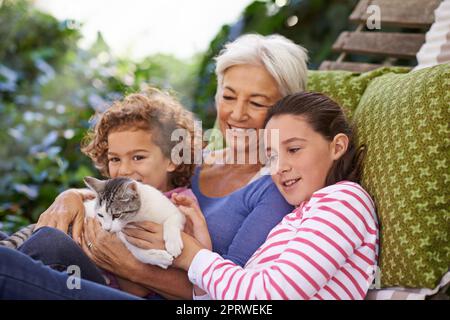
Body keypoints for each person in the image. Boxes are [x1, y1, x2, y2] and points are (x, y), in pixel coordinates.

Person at [1, 34, 308, 299]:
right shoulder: (193, 157)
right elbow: (126, 187)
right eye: (229, 96)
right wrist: (68, 197)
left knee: (25, 258)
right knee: (37, 247)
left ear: (287, 109)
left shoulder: (276, 187)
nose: (237, 113)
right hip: (99, 275)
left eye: (256, 103)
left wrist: (130, 267)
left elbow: (229, 292)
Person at [131, 91, 380, 299]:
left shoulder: (344, 201)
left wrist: (192, 255)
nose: (280, 166)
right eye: (271, 156)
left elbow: (268, 296)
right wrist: (203, 252)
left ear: (337, 146)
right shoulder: (296, 217)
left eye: (294, 149)